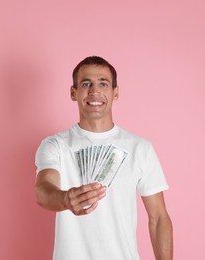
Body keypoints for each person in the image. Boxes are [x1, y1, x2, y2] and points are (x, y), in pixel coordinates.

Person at [35, 56, 173, 260]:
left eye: (103, 83)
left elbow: (159, 217)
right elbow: (43, 190)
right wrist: (65, 199)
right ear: (73, 93)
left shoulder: (139, 147)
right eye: (86, 84)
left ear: (115, 93)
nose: (94, 91)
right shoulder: (55, 145)